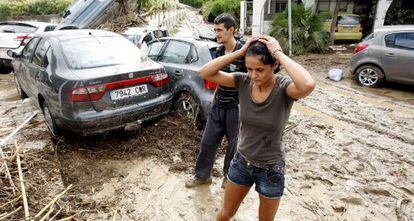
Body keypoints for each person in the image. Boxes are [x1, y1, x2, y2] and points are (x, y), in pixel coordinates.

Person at [198, 35, 316, 220]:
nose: (254, 75)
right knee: (225, 214)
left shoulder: (284, 88)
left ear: (274, 65)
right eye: (249, 68)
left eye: (260, 70)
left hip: (270, 169)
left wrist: (278, 53)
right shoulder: (243, 82)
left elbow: (308, 84)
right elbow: (205, 72)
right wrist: (241, 51)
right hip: (241, 163)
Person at [185, 13, 246, 189]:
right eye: (215, 30)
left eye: (219, 30)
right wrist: (214, 98)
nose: (216, 34)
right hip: (219, 105)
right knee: (207, 142)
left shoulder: (244, 50)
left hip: (237, 107)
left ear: (231, 30)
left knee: (234, 146)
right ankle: (202, 176)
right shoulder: (219, 51)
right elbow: (216, 76)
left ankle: (229, 178)